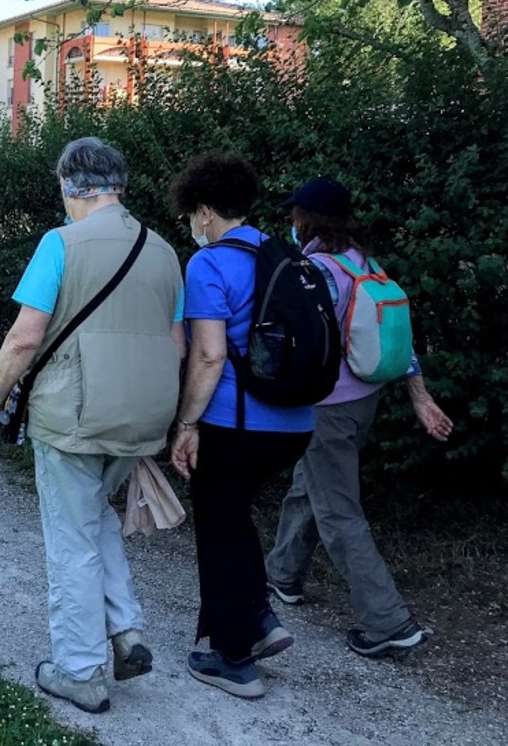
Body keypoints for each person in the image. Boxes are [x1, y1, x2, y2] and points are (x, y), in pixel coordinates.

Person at [0, 138, 182, 715]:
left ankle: (80, 671)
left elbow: (24, 338)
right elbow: (178, 343)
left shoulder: (60, 243)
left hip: (76, 413)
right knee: (96, 518)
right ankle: (126, 630)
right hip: (146, 413)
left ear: (68, 184)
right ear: (120, 185)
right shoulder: (162, 250)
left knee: (71, 540)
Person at [265, 177, 454, 657]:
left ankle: (389, 623)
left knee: (338, 512)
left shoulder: (316, 270)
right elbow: (397, 337)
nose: (291, 222)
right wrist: (420, 396)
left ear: (307, 219)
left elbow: (301, 340)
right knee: (311, 484)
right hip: (364, 399)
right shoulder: (364, 263)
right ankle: (282, 574)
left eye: (294, 215)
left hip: (327, 406)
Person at [168, 151, 314, 700]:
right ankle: (259, 618)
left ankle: (234, 659)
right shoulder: (283, 253)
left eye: (193, 213)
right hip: (296, 423)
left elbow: (208, 356)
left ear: (205, 210)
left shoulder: (208, 263)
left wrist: (186, 423)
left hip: (237, 423)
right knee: (235, 516)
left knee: (217, 528)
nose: (194, 223)